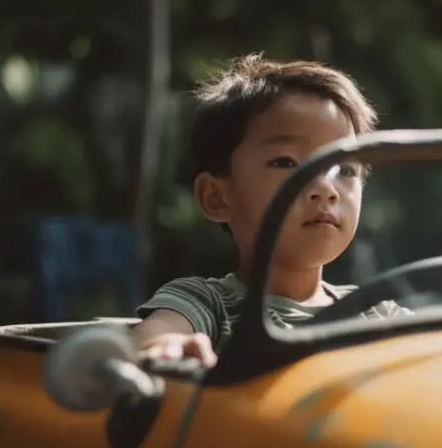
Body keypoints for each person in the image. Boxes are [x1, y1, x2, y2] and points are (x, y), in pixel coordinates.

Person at [133, 54, 409, 368]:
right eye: (286, 163)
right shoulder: (206, 304)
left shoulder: (376, 312)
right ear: (217, 198)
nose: (326, 189)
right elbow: (157, 337)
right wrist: (165, 346)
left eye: (344, 169)